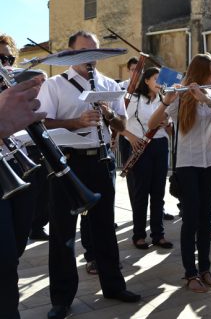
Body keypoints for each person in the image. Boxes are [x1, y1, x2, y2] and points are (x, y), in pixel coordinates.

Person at [37, 31, 140, 319]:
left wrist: (109, 115)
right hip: (67, 163)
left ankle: (113, 285)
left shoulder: (107, 84)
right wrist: (75, 122)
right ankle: (62, 298)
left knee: (105, 227)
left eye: (93, 51)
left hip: (100, 161)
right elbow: (42, 121)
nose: (90, 57)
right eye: (83, 51)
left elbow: (122, 123)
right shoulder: (55, 84)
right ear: (69, 54)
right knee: (62, 233)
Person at [148, 53, 211, 293]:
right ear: (199, 73)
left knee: (206, 219)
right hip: (187, 164)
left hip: (210, 161)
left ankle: (205, 268)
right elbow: (151, 125)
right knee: (190, 219)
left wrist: (206, 99)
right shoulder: (178, 97)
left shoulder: (210, 95)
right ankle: (190, 273)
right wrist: (166, 100)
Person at [0, 34, 48, 319]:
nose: (5, 64)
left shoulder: (13, 89)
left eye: (9, 59)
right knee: (5, 258)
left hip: (17, 168)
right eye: (0, 59)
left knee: (14, 252)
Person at [119, 67, 172, 250]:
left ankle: (158, 234)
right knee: (141, 193)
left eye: (161, 79)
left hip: (160, 146)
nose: (159, 83)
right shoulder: (135, 98)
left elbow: (171, 129)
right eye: (156, 79)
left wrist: (167, 125)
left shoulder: (165, 99)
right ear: (147, 80)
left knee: (158, 193)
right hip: (140, 147)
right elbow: (118, 122)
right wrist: (131, 137)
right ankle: (139, 235)